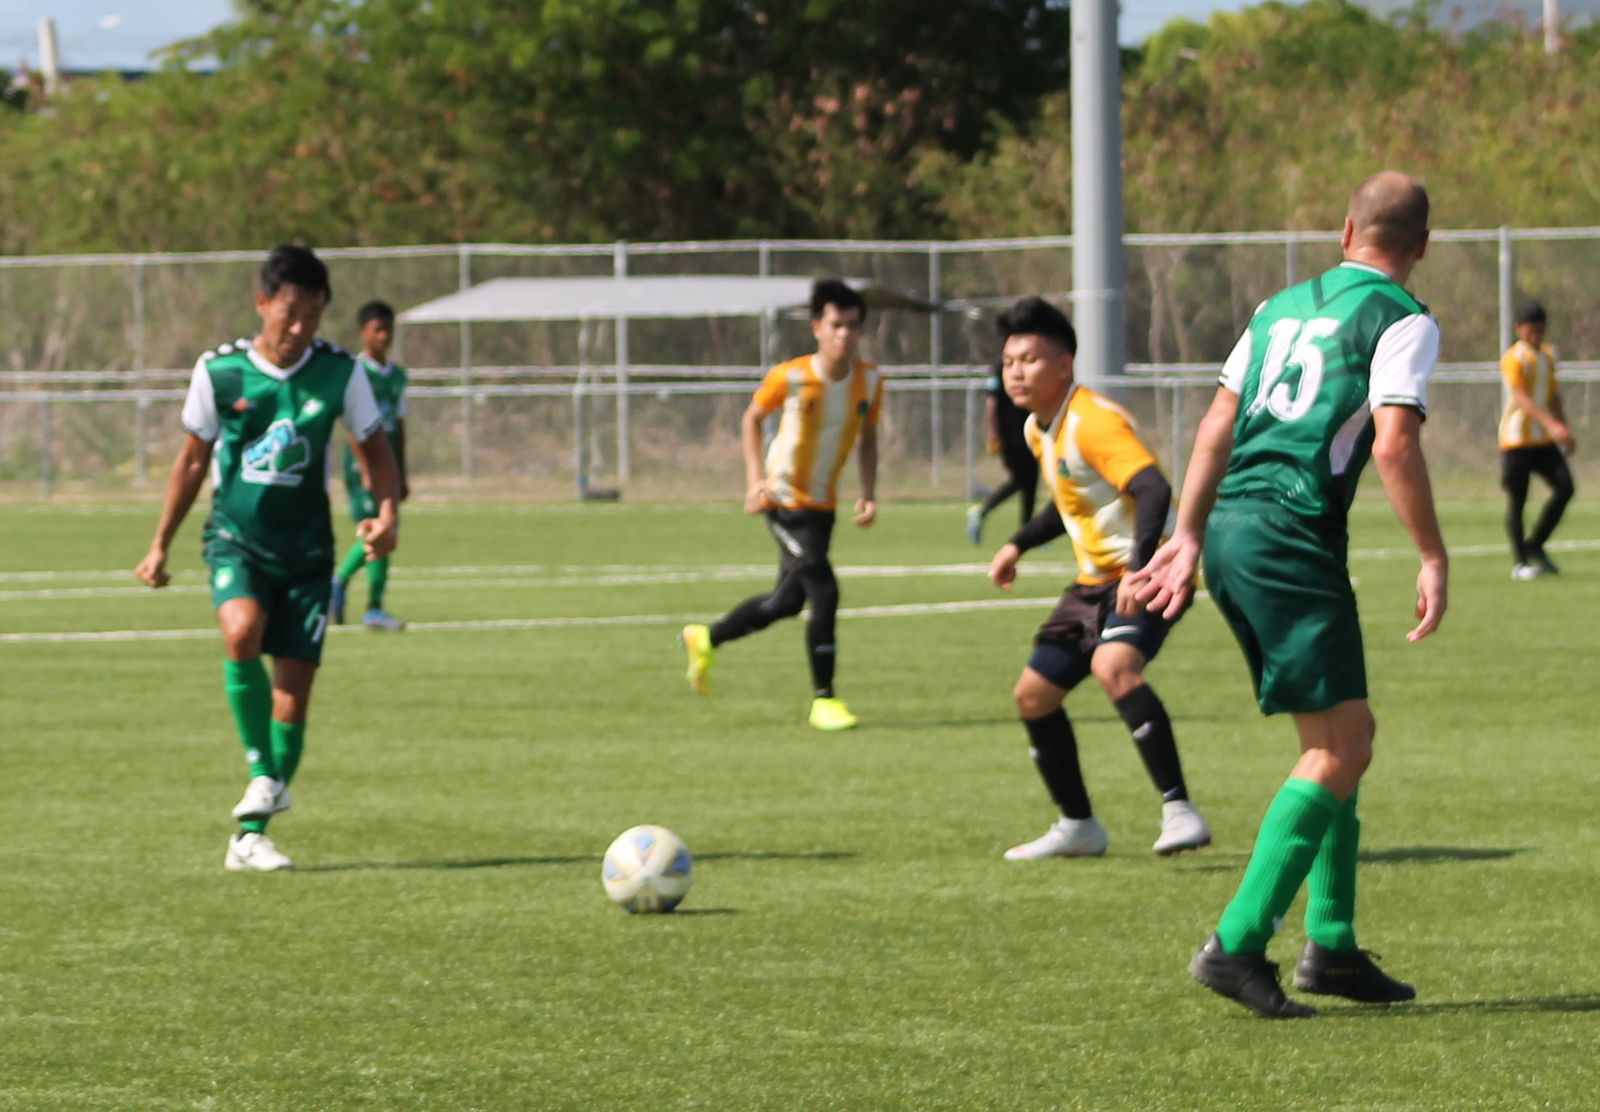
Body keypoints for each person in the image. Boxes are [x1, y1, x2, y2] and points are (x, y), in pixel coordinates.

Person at [1123, 171, 1448, 1018]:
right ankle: (1236, 943)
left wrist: (1186, 534)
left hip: (1231, 526)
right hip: (1292, 534)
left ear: (1346, 231)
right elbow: (1394, 445)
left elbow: (1216, 425)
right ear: (1420, 246)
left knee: (1345, 734)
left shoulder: (1277, 308)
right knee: (1340, 748)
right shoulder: (1403, 319)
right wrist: (1433, 555)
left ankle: (1332, 945)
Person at [135, 245, 399, 872]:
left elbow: (376, 451)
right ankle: (261, 770)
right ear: (262, 305)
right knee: (242, 630)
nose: (300, 328)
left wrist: (387, 514)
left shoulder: (340, 373)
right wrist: (159, 543)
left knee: (293, 700)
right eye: (289, 313)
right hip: (237, 540)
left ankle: (250, 833)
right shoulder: (220, 372)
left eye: (312, 314)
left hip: (308, 554)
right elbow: (192, 461)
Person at [985, 297, 1210, 861]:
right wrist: (1018, 543)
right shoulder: (1042, 429)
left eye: (1030, 359)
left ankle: (1180, 810)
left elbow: (1152, 488)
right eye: (1009, 360)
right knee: (1033, 696)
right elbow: (1069, 505)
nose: (1015, 370)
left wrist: (1139, 570)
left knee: (1115, 666)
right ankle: (1078, 826)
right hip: (1092, 586)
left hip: (1152, 570)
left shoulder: (1093, 420)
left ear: (1064, 365)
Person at [680, 278, 882, 731]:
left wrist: (868, 492)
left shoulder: (868, 381)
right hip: (784, 502)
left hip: (823, 507)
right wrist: (755, 482)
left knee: (786, 603)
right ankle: (824, 700)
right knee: (825, 592)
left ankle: (706, 637)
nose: (844, 334)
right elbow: (752, 418)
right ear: (817, 328)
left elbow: (868, 436)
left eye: (852, 326)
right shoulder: (791, 376)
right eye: (835, 325)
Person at [332, 300, 411, 628]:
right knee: (378, 527)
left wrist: (402, 472)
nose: (384, 335)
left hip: (388, 461)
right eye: (377, 329)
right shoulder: (356, 371)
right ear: (363, 332)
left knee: (388, 528)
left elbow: (400, 423)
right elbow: (352, 425)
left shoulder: (398, 376)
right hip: (362, 462)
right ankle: (348, 589)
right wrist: (365, 469)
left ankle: (364, 601)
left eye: (388, 329)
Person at [1498, 300, 1575, 580]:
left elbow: (1553, 395)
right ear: (1520, 329)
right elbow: (1520, 395)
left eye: (1541, 329)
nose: (1536, 334)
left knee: (1566, 487)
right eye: (1531, 329)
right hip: (1516, 440)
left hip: (1542, 441)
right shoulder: (1514, 357)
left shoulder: (1548, 355)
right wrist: (1551, 423)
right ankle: (1521, 562)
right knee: (1518, 500)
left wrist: (1563, 428)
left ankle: (1536, 544)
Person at [966, 356, 1039, 544]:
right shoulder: (999, 367)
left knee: (1031, 480)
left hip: (1028, 430)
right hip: (1009, 434)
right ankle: (981, 511)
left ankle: (1028, 532)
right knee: (1020, 479)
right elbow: (992, 403)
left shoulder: (1027, 365)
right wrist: (993, 433)